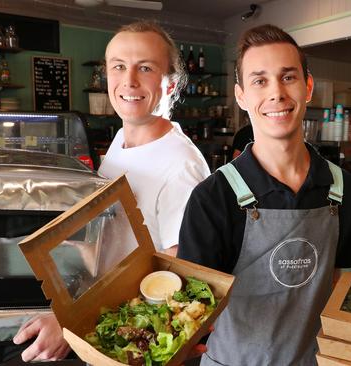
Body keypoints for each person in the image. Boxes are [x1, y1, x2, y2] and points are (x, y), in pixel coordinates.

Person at [13, 21, 210, 362]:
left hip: (138, 342)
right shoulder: (122, 139)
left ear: (171, 84)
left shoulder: (181, 166)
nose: (129, 80)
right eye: (119, 66)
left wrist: (72, 322)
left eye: (145, 68)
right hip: (104, 327)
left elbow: (177, 274)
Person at [177, 24, 351, 365]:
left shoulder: (345, 191)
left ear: (308, 87)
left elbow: (339, 282)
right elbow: (193, 307)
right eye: (260, 80)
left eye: (288, 77)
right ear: (241, 95)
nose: (276, 93)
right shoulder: (213, 198)